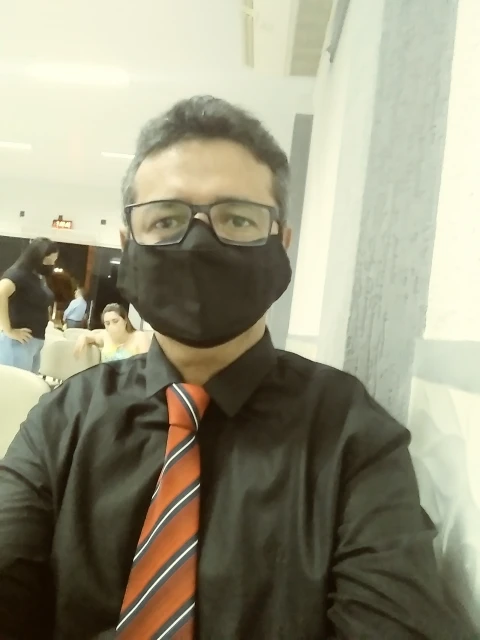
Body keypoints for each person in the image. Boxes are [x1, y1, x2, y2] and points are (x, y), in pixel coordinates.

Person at [0, 97, 472, 640]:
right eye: (166, 220)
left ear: (281, 243)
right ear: (128, 246)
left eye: (238, 219)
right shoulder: (64, 419)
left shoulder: (352, 436)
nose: (200, 243)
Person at [0, 237, 58, 373]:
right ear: (37, 257)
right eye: (48, 261)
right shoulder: (18, 274)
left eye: (53, 261)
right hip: (18, 342)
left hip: (33, 342)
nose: (51, 265)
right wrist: (8, 330)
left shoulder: (37, 278)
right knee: (16, 384)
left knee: (27, 384)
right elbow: (1, 293)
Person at [74, 302, 150, 362]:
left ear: (125, 321)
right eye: (107, 323)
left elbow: (146, 366)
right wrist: (82, 338)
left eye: (115, 321)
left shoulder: (139, 337)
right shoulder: (105, 335)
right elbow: (91, 337)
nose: (111, 326)